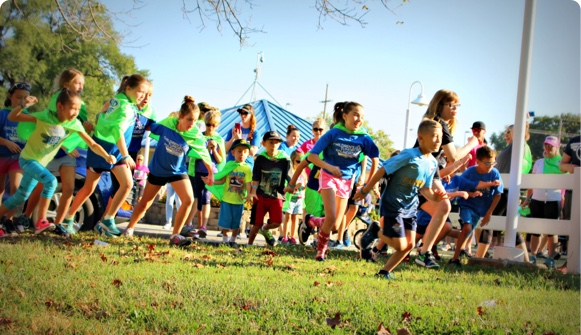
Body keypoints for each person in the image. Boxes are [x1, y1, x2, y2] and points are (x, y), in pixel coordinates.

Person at [0, 90, 115, 235]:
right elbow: (13, 116)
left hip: (40, 164)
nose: (76, 112)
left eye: (78, 109)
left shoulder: (74, 124)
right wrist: (23, 105)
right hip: (28, 159)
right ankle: (41, 221)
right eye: (73, 108)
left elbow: (92, 144)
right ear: (60, 106)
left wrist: (106, 156)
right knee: (51, 181)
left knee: (20, 196)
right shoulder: (44, 117)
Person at [354, 119, 448, 279]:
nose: (438, 140)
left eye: (440, 137)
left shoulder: (432, 162)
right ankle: (375, 231)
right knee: (399, 244)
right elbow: (384, 169)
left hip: (410, 208)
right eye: (434, 136)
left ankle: (384, 272)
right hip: (394, 205)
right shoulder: (409, 155)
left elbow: (425, 189)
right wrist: (365, 189)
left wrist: (435, 198)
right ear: (421, 138)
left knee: (409, 245)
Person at [63, 74, 149, 237]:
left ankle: (105, 221)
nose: (143, 96)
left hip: (109, 147)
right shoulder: (125, 107)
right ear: (128, 88)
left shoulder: (119, 100)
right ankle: (71, 219)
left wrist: (101, 121)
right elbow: (117, 130)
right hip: (107, 149)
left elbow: (100, 114)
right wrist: (125, 155)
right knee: (92, 187)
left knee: (125, 184)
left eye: (145, 94)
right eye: (140, 92)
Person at [123, 97, 214, 247]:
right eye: (189, 119)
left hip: (177, 171)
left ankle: (175, 235)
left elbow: (204, 154)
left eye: (196, 120)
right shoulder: (167, 125)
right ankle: (129, 228)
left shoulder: (195, 135)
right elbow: (148, 126)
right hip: (158, 169)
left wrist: (210, 173)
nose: (193, 124)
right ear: (180, 117)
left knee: (189, 199)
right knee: (146, 202)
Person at [22, 69, 95, 235]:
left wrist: (86, 130)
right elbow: (51, 124)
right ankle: (25, 217)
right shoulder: (58, 98)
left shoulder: (79, 102)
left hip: (69, 152)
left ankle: (59, 224)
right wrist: (63, 146)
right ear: (66, 83)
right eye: (77, 82)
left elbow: (75, 127)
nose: (81, 86)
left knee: (68, 189)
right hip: (55, 149)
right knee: (42, 184)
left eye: (82, 84)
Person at [413, 89, 480, 268]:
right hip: (419, 171)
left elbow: (444, 159)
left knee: (442, 206)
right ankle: (421, 250)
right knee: (439, 206)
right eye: (450, 105)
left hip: (429, 171)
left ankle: (424, 251)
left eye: (457, 105)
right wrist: (473, 143)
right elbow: (454, 156)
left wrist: (447, 171)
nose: (455, 108)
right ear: (439, 105)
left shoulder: (440, 124)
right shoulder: (438, 124)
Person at [307, 101, 380, 261]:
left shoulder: (364, 137)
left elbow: (375, 159)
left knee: (334, 225)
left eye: (362, 117)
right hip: (328, 177)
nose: (358, 119)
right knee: (331, 217)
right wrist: (329, 167)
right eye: (355, 115)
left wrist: (369, 184)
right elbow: (312, 156)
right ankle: (321, 252)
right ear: (345, 116)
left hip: (346, 181)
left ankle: (312, 221)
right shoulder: (333, 133)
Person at [475, 123, 531, 258]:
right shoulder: (513, 147)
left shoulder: (519, 145)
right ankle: (526, 261)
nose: (507, 134)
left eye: (509, 131)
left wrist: (522, 121)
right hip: (503, 189)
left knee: (489, 220)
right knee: (510, 228)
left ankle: (479, 256)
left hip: (505, 191)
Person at [449, 146, 503, 267]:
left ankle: (447, 235)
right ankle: (454, 258)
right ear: (478, 162)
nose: (490, 166)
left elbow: (498, 194)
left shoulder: (494, 173)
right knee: (467, 228)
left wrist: (489, 213)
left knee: (467, 231)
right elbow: (460, 188)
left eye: (493, 163)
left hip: (481, 210)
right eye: (487, 163)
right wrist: (471, 194)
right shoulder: (469, 173)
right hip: (467, 205)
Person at [522, 136, 564, 268]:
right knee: (535, 229)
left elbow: (566, 185)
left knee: (552, 231)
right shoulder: (539, 162)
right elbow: (532, 183)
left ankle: (550, 258)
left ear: (557, 147)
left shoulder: (562, 163)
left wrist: (564, 204)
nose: (547, 148)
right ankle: (533, 255)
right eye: (546, 145)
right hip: (537, 199)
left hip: (554, 199)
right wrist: (528, 199)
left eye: (550, 146)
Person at [205, 139, 253, 247]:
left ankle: (233, 240)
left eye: (245, 152)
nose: (242, 154)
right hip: (227, 199)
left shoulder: (247, 168)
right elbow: (222, 180)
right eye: (239, 151)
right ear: (233, 152)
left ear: (248, 154)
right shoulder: (229, 165)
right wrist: (211, 182)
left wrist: (249, 194)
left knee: (236, 222)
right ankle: (225, 240)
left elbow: (248, 183)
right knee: (226, 221)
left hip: (239, 201)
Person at [184, 108, 224, 237]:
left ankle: (203, 226)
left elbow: (219, 160)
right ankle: (189, 223)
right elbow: (192, 154)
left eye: (214, 125)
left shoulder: (218, 139)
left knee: (206, 198)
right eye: (208, 124)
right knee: (196, 197)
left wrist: (215, 150)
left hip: (210, 173)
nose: (211, 127)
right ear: (205, 123)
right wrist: (205, 148)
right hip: (197, 171)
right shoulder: (199, 136)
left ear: (217, 125)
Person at [247, 131, 291, 246]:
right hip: (260, 195)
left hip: (277, 195)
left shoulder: (285, 160)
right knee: (256, 224)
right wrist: (252, 193)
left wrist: (292, 186)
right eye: (270, 142)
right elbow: (255, 178)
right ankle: (249, 244)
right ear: (263, 143)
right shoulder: (260, 159)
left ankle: (265, 228)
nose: (273, 145)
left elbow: (290, 176)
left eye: (276, 143)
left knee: (277, 222)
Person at [0, 83, 29, 215]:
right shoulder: (3, 114)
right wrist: (6, 142)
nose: (22, 101)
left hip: (18, 159)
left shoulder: (29, 117)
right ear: (10, 96)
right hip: (2, 156)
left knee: (15, 188)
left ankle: (9, 221)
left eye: (25, 98)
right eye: (18, 97)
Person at [558, 134, 580, 272]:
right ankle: (571, 261)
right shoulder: (574, 140)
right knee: (571, 224)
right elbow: (561, 165)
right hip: (574, 190)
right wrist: (570, 167)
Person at [280, 150, 305, 244]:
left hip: (299, 199)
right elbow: (286, 185)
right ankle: (285, 236)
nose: (299, 164)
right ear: (293, 160)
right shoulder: (290, 172)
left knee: (295, 218)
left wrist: (302, 187)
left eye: (301, 162)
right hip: (290, 198)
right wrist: (292, 188)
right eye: (298, 161)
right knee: (287, 217)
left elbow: (304, 186)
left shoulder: (303, 173)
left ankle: (292, 236)